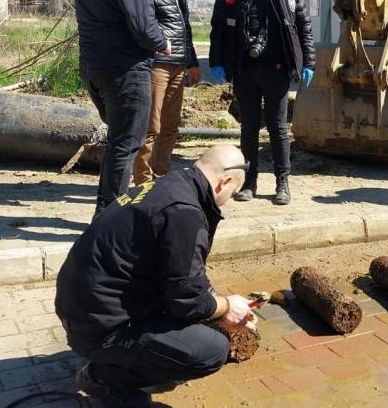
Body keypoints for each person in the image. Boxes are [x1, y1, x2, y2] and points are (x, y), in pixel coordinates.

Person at [55, 144, 257, 408]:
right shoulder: (185, 213)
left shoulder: (170, 186)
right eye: (232, 193)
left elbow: (184, 275)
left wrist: (213, 303)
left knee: (203, 322)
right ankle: (107, 379)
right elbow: (188, 301)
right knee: (211, 350)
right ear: (224, 182)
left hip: (83, 309)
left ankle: (119, 360)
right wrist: (228, 306)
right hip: (98, 326)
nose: (228, 200)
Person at [70, 0, 170, 215]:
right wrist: (162, 41)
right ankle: (109, 218)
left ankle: (106, 212)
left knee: (118, 142)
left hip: (94, 66)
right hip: (125, 70)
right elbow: (143, 27)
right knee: (126, 144)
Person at [208, 0, 316, 206]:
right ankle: (249, 182)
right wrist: (217, 62)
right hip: (244, 71)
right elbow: (218, 30)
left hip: (277, 71)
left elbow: (303, 27)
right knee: (249, 129)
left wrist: (309, 62)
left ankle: (282, 183)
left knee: (278, 128)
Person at [132, 0, 201, 185]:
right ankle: (143, 185)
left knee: (170, 128)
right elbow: (142, 19)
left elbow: (182, 22)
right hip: (155, 64)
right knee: (151, 127)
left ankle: (160, 181)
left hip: (177, 63)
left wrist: (192, 61)